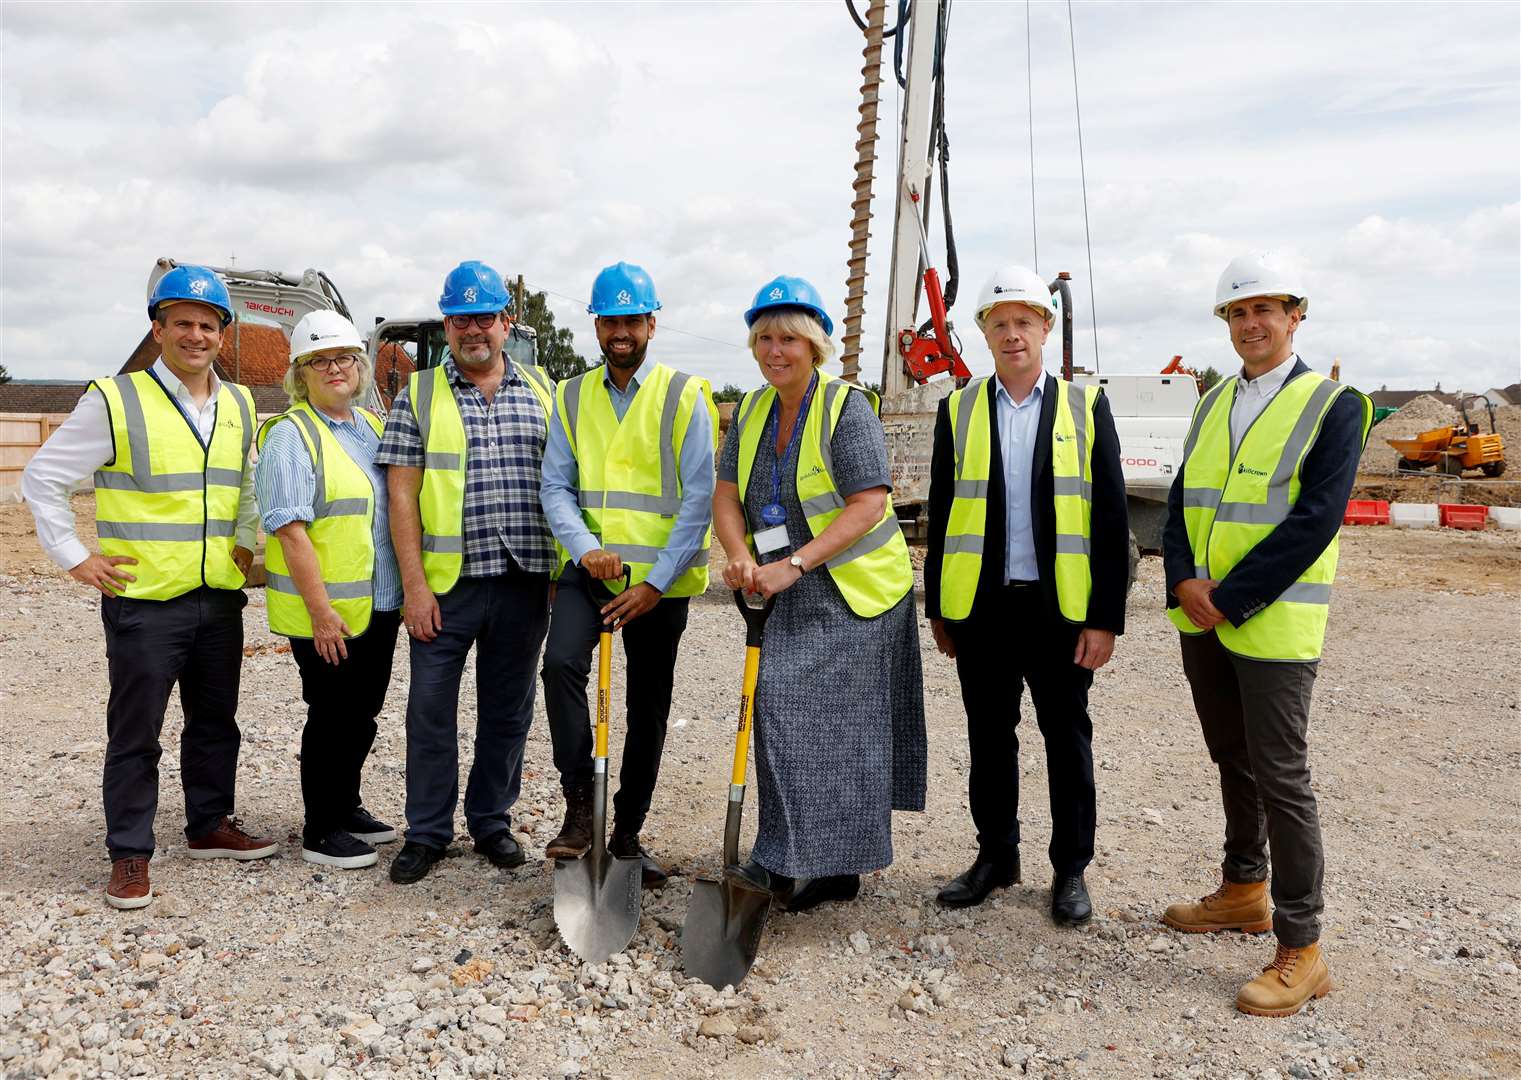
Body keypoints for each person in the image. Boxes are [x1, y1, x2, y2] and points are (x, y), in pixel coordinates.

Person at [21, 265, 278, 910]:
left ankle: (208, 825)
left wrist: (245, 542)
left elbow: (245, 485)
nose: (196, 334)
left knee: (216, 722)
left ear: (224, 333)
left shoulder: (241, 403)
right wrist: (76, 556)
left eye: (208, 324)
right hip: (143, 603)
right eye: (183, 322)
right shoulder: (116, 399)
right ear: (158, 329)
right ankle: (131, 853)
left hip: (218, 596)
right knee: (137, 731)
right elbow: (43, 477)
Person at [1161, 253, 1371, 1017]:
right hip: (1201, 613)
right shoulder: (1214, 400)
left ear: (1294, 316)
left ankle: (1301, 945)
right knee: (1231, 757)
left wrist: (1232, 598)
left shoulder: (1333, 404)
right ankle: (1243, 890)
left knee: (1281, 775)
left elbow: (1315, 521)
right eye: (1237, 313)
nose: (1250, 324)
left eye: (1264, 310)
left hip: (1271, 622)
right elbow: (1185, 493)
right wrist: (1181, 578)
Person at [713, 275, 926, 912]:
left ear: (815, 346)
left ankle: (826, 864)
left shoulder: (845, 407)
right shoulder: (749, 410)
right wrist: (739, 554)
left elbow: (868, 504)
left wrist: (795, 564)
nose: (776, 350)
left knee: (832, 725)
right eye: (765, 338)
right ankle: (793, 854)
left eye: (790, 339)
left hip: (855, 592)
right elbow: (727, 496)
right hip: (785, 589)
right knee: (781, 714)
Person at [924, 265, 1129, 926]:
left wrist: (1105, 618)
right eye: (999, 324)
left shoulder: (1084, 408)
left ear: (1045, 327)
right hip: (982, 609)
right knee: (989, 739)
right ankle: (995, 857)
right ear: (984, 334)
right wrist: (938, 607)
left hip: (1057, 610)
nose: (1012, 335)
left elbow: (1109, 518)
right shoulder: (957, 408)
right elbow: (940, 509)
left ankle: (1069, 870)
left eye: (1023, 322)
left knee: (1065, 741)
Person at [377, 261, 557, 884]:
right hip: (445, 589)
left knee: (508, 711)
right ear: (446, 325)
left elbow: (561, 486)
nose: (473, 329)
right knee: (430, 710)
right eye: (461, 318)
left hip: (523, 579)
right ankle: (427, 832)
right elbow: (402, 495)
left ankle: (491, 823)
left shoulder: (544, 391)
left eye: (485, 317)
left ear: (506, 323)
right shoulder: (419, 394)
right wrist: (414, 587)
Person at [539, 262, 717, 888]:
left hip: (656, 587)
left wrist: (655, 583)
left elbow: (699, 500)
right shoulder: (570, 395)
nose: (620, 331)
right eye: (609, 320)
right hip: (591, 575)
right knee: (560, 665)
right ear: (597, 324)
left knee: (648, 710)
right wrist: (586, 548)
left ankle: (628, 834)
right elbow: (555, 485)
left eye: (631, 320)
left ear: (651, 323)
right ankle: (579, 807)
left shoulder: (684, 396)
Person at [255, 311, 402, 870]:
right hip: (329, 613)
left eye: (343, 358)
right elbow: (289, 530)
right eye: (320, 361)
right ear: (300, 372)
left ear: (360, 367)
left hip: (377, 603)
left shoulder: (368, 427)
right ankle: (320, 828)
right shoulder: (292, 435)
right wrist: (320, 612)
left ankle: (346, 805)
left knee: (362, 713)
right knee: (331, 713)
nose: (334, 369)